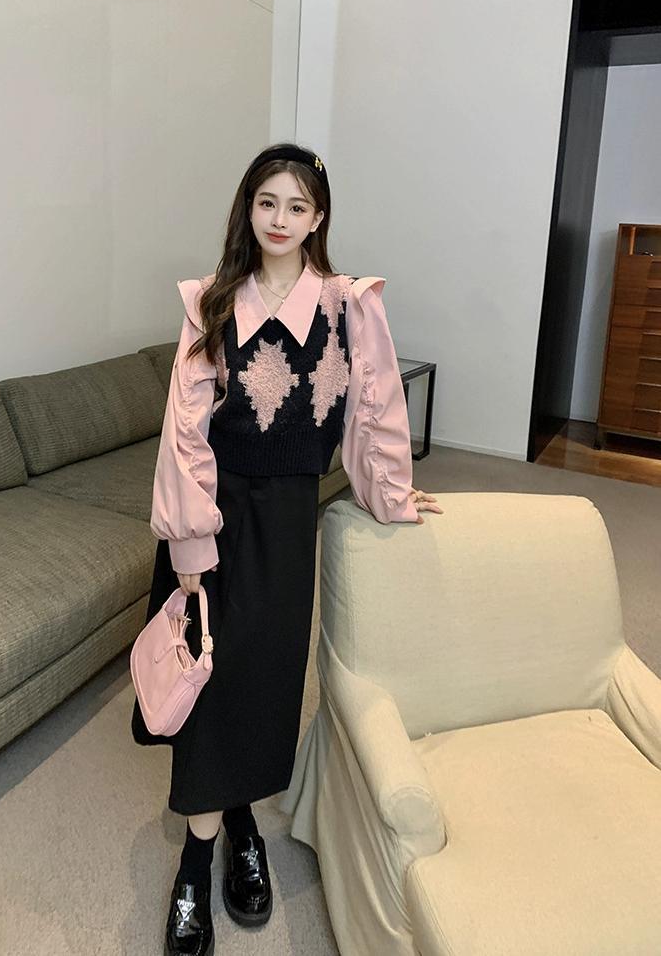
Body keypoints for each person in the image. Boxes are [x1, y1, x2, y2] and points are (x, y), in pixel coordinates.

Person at [139, 141, 441, 954]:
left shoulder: (348, 305)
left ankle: (243, 822)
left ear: (318, 217)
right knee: (209, 680)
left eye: (297, 205)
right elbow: (183, 432)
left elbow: (374, 408)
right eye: (267, 201)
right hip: (212, 515)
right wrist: (191, 546)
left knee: (267, 678)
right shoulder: (211, 301)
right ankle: (196, 862)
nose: (280, 218)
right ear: (249, 208)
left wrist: (393, 494)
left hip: (287, 516)